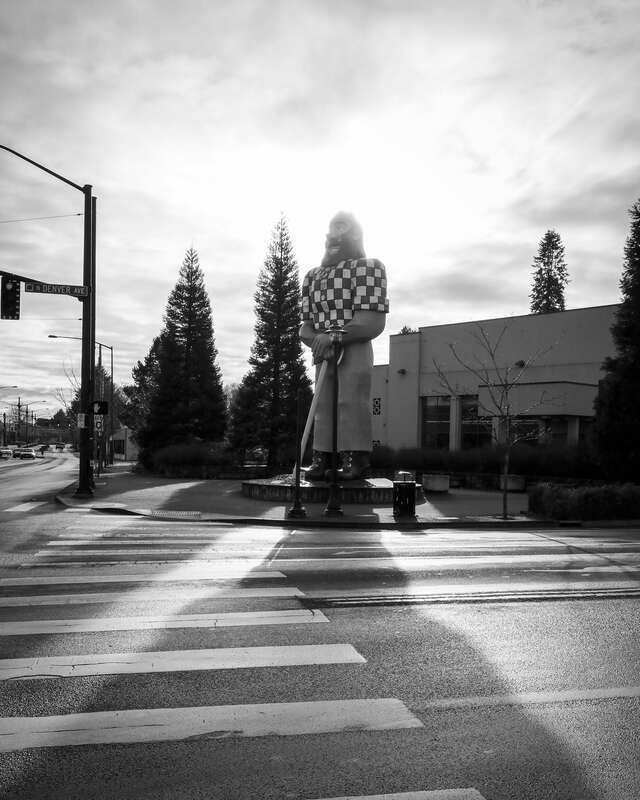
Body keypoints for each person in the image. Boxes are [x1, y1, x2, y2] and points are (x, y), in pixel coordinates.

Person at [299, 211, 388, 481]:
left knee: (351, 400)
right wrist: (317, 340)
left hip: (355, 349)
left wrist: (333, 336)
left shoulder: (368, 268)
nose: (332, 235)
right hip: (323, 352)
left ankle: (355, 457)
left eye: (341, 227)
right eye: (331, 228)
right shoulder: (312, 277)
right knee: (323, 404)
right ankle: (322, 456)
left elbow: (372, 321)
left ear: (356, 234)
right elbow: (305, 326)